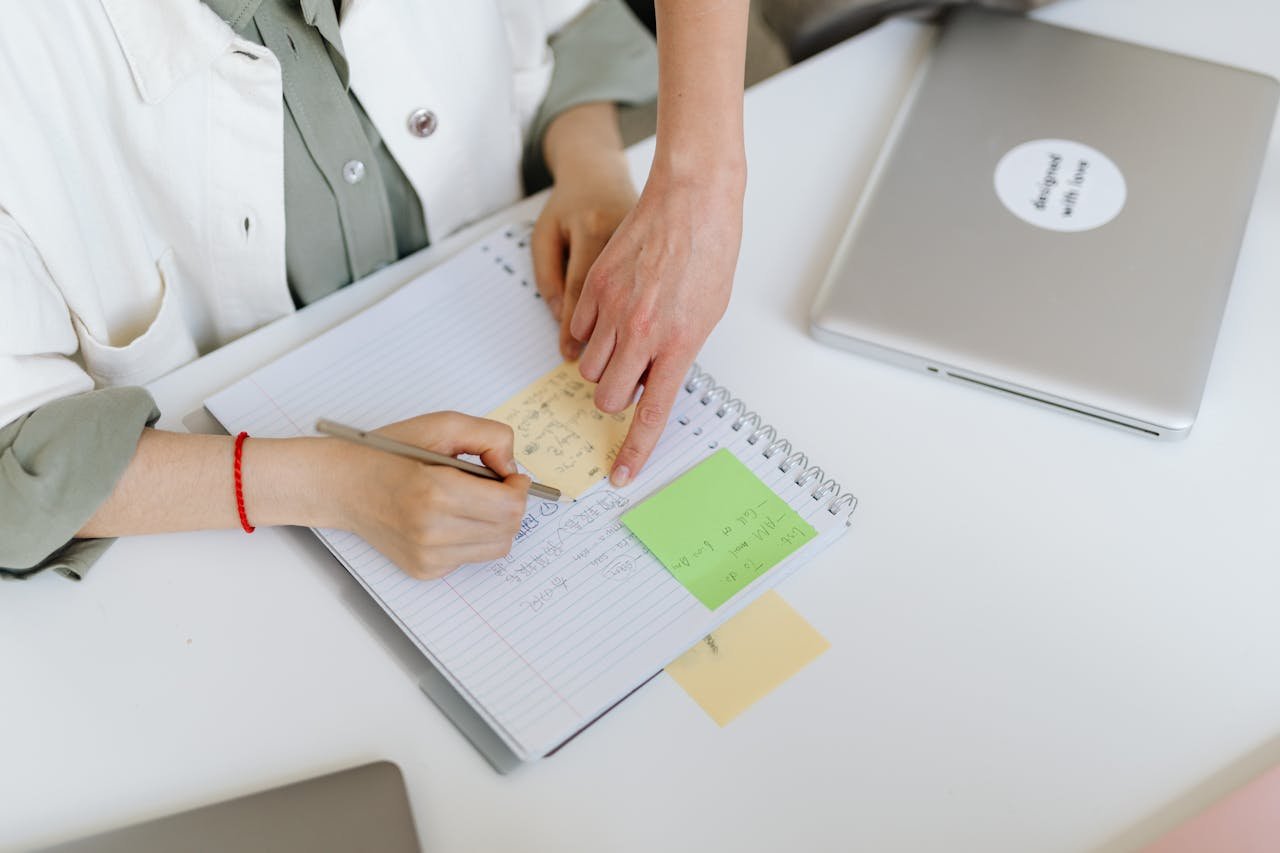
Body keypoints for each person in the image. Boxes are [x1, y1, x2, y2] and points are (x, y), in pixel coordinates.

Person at [0, 0, 750, 581]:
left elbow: (562, 25)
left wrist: (590, 168)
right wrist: (334, 484)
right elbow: (16, 465)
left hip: (499, 321)